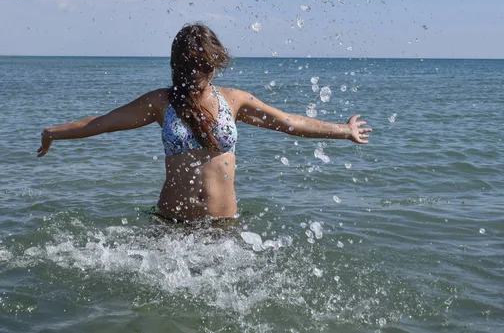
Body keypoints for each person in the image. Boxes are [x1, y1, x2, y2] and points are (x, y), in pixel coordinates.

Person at [38, 23, 372, 222]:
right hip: (171, 222)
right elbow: (103, 122)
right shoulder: (161, 102)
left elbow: (290, 122)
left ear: (214, 64)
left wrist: (344, 130)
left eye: (203, 63)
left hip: (222, 226)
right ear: (177, 66)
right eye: (190, 65)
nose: (197, 72)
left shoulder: (234, 100)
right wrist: (53, 132)